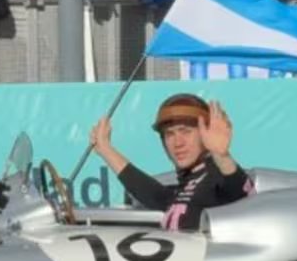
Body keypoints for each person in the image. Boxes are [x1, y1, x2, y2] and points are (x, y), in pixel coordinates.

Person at [89, 95, 252, 232]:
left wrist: (222, 155)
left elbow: (240, 193)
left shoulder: (216, 178)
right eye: (169, 134)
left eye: (186, 131)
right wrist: (106, 149)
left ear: (206, 134)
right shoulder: (187, 185)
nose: (178, 143)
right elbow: (153, 194)